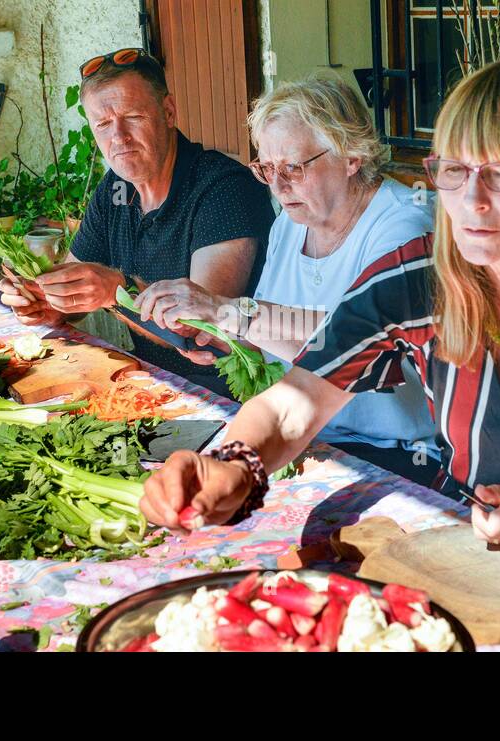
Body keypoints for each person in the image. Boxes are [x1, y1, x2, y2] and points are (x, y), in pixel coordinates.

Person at [134, 57, 500, 541]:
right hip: (470, 568)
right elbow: (298, 401)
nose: (471, 201)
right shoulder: (420, 283)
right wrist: (234, 464)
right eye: (452, 169)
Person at [132, 76, 439, 485]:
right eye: (266, 168)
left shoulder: (403, 228)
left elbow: (354, 342)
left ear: (351, 156)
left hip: (390, 452)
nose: (278, 185)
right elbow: (270, 333)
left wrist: (226, 310)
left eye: (293, 167)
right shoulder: (292, 222)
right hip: (306, 436)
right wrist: (217, 333)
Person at [0, 48, 275, 396]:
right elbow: (76, 290)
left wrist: (115, 290)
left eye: (133, 117)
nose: (119, 137)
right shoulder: (114, 190)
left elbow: (199, 330)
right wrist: (47, 302)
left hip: (226, 395)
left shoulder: (224, 187)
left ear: (168, 111)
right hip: (151, 381)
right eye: (102, 124)